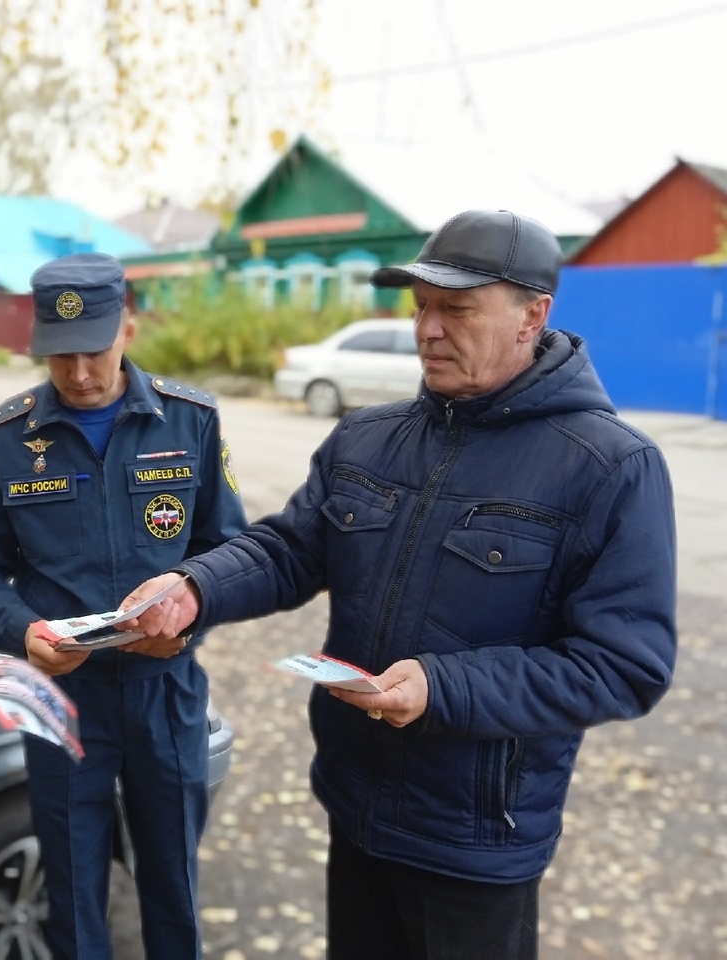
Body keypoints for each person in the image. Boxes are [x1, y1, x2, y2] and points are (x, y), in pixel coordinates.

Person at [118, 210, 678, 960]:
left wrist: (441, 688)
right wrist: (195, 587)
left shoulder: (609, 468)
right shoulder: (368, 437)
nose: (428, 330)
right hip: (356, 810)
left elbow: (623, 664)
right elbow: (289, 548)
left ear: (532, 315)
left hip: (475, 846)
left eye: (457, 308)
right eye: (420, 307)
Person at [0, 252, 248, 959]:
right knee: (74, 892)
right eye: (60, 357)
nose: (79, 374)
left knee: (171, 883)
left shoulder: (190, 422)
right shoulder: (2, 440)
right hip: (62, 697)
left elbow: (230, 552)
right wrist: (23, 635)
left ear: (129, 330)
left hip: (165, 693)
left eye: (94, 352)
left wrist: (188, 616)